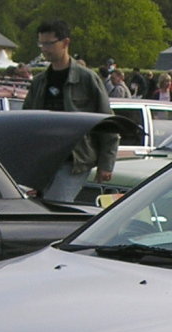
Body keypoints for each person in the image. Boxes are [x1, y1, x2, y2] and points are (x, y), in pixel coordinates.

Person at [22, 19, 118, 201]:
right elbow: (25, 121)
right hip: (44, 160)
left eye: (49, 43)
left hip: (74, 160)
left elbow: (108, 122)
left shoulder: (87, 79)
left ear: (65, 43)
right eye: (41, 43)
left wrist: (107, 163)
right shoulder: (40, 82)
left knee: (55, 206)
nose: (44, 48)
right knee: (39, 209)